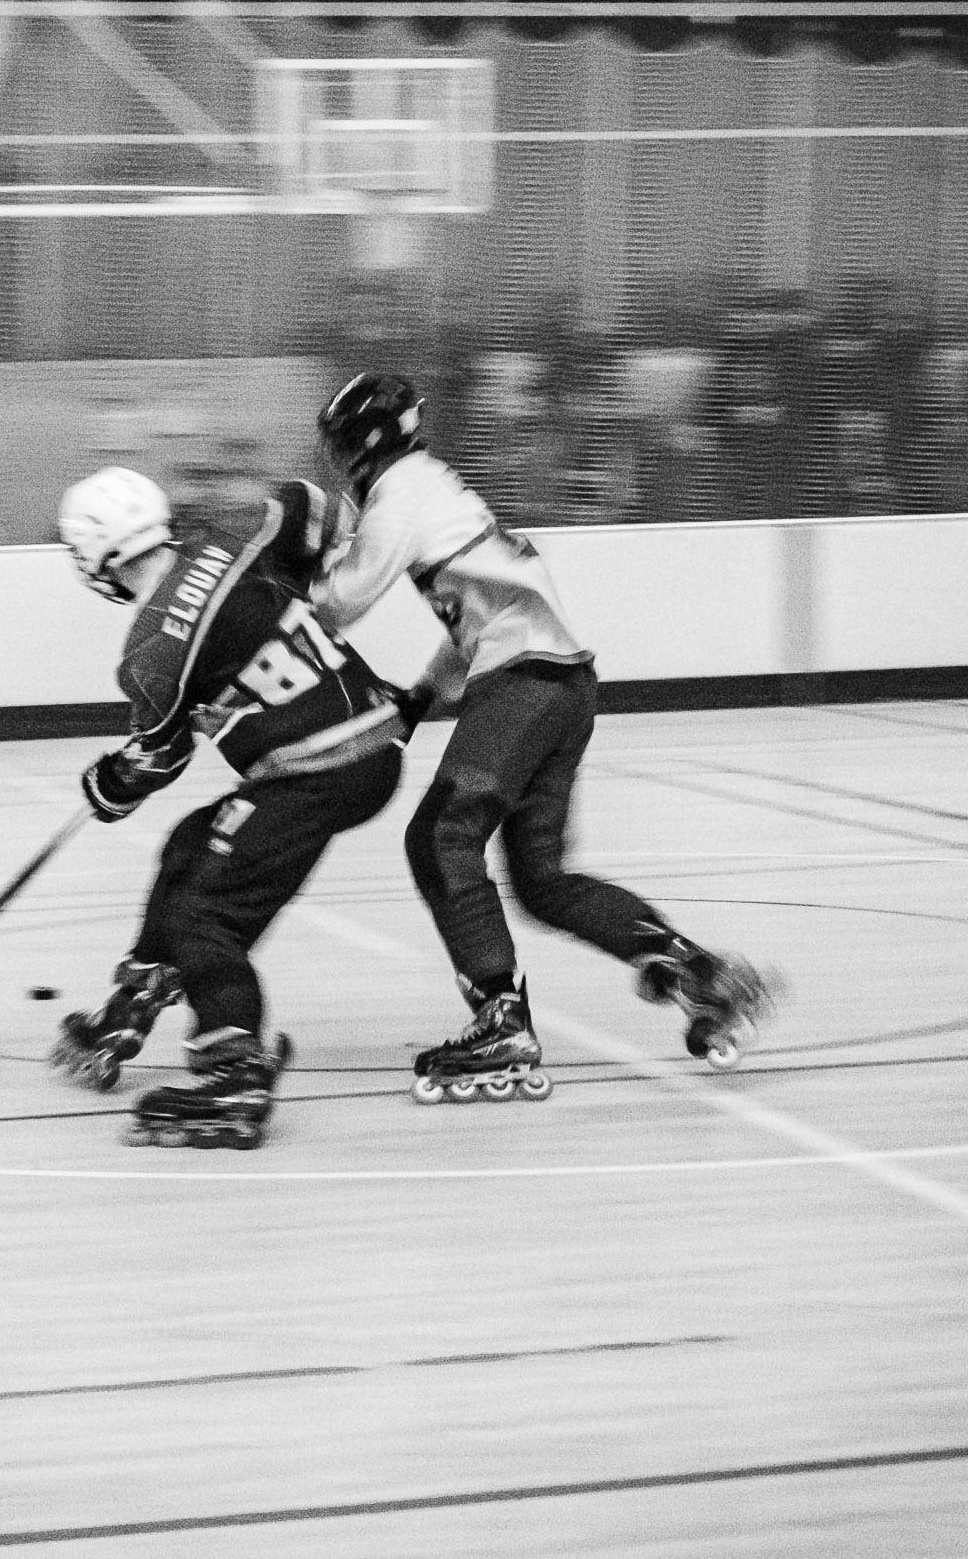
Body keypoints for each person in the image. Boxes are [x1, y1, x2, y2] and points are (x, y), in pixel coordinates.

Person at [307, 372, 776, 1104]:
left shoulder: (400, 492)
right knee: (543, 882)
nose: (339, 467)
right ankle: (701, 974)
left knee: (439, 837)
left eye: (339, 450)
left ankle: (500, 1019)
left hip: (523, 684)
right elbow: (477, 622)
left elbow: (342, 601)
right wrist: (418, 700)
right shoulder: (438, 490)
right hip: (562, 684)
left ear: (365, 442)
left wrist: (288, 578)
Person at [54, 466, 406, 1149]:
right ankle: (137, 1000)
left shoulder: (149, 653)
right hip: (367, 744)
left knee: (204, 911)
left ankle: (234, 1069)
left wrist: (107, 785)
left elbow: (158, 759)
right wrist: (300, 590)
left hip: (314, 769)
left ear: (93, 558)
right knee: (191, 844)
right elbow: (311, 505)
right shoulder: (229, 542)